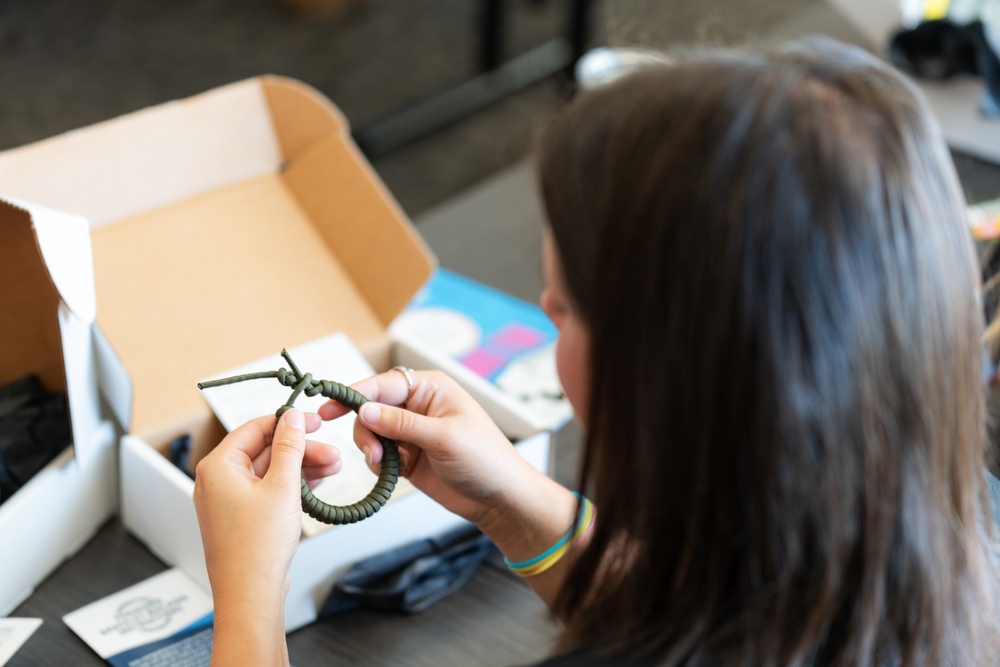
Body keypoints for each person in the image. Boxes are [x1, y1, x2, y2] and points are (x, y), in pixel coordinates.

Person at [193, 36, 1000, 666]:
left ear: (667, 379)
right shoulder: (953, 531)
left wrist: (249, 595)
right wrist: (510, 501)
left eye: (567, 303)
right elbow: (706, 617)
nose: (542, 306)